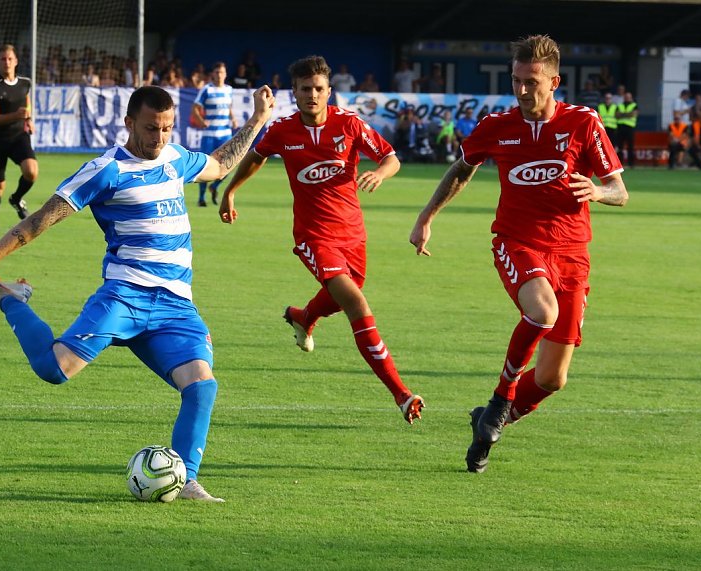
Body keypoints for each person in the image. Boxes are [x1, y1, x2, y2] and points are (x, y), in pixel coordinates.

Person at [0, 84, 276, 503]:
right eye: (150, 128)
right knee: (54, 370)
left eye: (166, 128)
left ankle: (186, 480)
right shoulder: (106, 169)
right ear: (129, 124)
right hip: (124, 296)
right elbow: (45, 217)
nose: (159, 137)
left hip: (175, 305)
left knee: (202, 385)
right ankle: (10, 299)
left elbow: (218, 164)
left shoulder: (176, 158)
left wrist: (256, 120)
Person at [409, 34, 628, 473]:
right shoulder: (497, 125)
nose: (522, 90)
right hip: (518, 241)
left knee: (552, 378)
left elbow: (620, 190)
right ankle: (500, 399)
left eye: (531, 82)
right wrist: (426, 217)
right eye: (516, 80)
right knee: (542, 311)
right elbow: (462, 169)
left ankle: (491, 419)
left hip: (572, 255)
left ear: (554, 81)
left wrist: (598, 191)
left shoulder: (583, 124)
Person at [218, 55, 425, 425]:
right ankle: (401, 393)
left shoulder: (348, 124)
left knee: (344, 294)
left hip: (353, 234)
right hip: (314, 237)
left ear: (329, 91)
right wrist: (231, 190)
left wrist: (380, 172)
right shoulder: (283, 130)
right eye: (304, 89)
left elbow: (392, 158)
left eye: (318, 89)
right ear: (293, 93)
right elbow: (257, 157)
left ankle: (303, 316)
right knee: (356, 302)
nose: (312, 95)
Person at [0, 44, 37, 237]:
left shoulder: (25, 83)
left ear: (16, 61)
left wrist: (28, 119)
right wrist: (17, 115)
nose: (7, 62)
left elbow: (26, 101)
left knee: (31, 172)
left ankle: (17, 198)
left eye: (10, 59)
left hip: (18, 137)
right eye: (3, 59)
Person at [192, 62, 238, 207]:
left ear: (225, 74)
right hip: (210, 134)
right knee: (205, 166)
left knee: (229, 165)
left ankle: (215, 187)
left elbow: (229, 106)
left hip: (225, 133)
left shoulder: (229, 90)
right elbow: (195, 107)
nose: (219, 75)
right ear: (213, 74)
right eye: (216, 72)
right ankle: (201, 198)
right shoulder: (207, 89)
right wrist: (201, 121)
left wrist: (233, 118)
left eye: (221, 72)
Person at [616, 91, 638, 168]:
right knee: (620, 147)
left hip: (630, 128)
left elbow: (633, 114)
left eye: (628, 97)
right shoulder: (620, 105)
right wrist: (628, 114)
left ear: (631, 97)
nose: (627, 98)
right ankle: (619, 164)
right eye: (626, 96)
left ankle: (631, 164)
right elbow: (617, 115)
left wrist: (623, 114)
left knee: (630, 146)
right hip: (621, 128)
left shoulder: (634, 105)